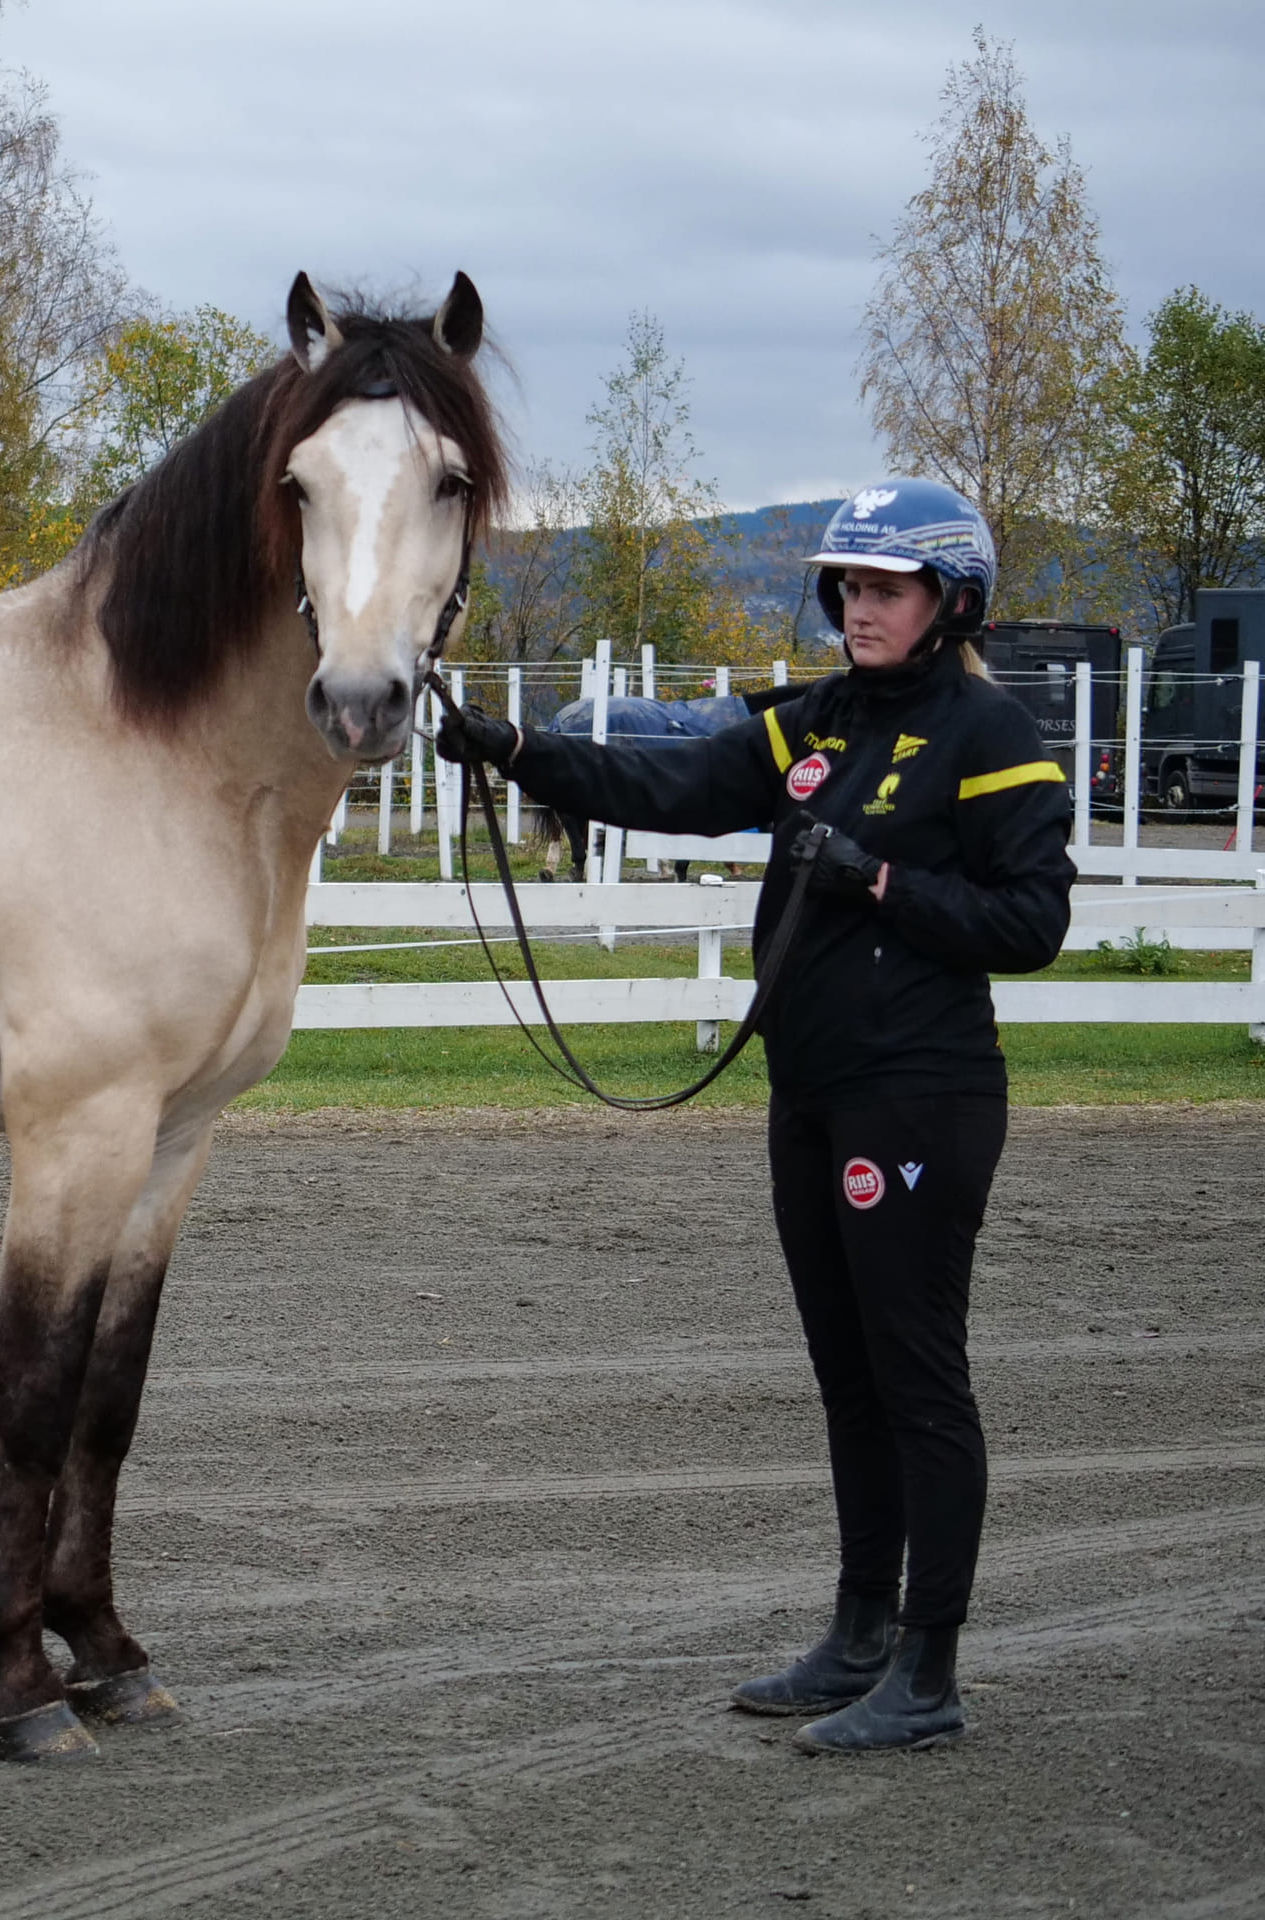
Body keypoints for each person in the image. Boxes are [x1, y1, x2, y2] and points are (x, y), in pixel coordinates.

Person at [436, 479, 1073, 1751]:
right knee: (848, 1378)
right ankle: (858, 1632)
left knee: (916, 1380)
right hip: (810, 1095)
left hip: (920, 1097)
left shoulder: (992, 734)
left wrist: (878, 880)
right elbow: (667, 782)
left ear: (953, 602)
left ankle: (929, 1671)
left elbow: (1031, 922)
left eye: (885, 589)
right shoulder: (814, 721)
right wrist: (513, 750)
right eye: (847, 587)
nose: (858, 609)